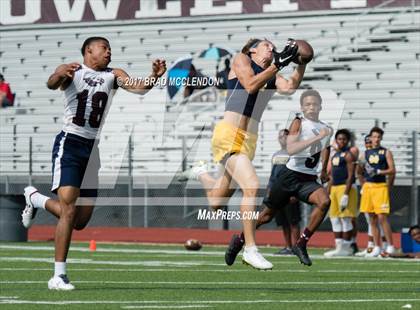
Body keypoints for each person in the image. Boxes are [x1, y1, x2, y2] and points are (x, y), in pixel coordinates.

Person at [21, 37, 166, 290]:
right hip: (70, 144)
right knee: (68, 209)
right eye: (104, 48)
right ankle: (58, 275)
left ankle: (35, 199)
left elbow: (139, 88)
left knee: (79, 220)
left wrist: (154, 76)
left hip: (92, 149)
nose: (109, 52)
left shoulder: (114, 74)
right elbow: (51, 83)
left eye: (110, 49)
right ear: (89, 50)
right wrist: (59, 72)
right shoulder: (74, 69)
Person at [178, 38, 305, 270]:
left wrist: (302, 63)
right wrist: (277, 64)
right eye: (267, 45)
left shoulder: (270, 72)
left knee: (216, 201)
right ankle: (250, 249)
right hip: (229, 134)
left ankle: (200, 172)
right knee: (252, 185)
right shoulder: (242, 59)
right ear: (254, 49)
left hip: (248, 141)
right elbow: (250, 85)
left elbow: (289, 88)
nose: (272, 48)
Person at [225, 89, 333, 267]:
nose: (311, 107)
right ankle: (239, 241)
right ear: (302, 107)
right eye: (308, 104)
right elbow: (291, 149)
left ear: (320, 106)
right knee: (265, 217)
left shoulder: (326, 128)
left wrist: (323, 168)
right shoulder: (299, 122)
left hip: (308, 179)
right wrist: (316, 139)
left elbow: (326, 146)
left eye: (314, 104)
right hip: (289, 176)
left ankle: (301, 243)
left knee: (325, 202)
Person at [358, 126, 396, 257]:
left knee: (382, 217)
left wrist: (379, 171)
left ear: (381, 138)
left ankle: (390, 246)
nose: (376, 139)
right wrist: (363, 184)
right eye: (374, 137)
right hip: (368, 187)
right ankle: (377, 247)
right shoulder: (364, 154)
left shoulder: (386, 152)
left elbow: (392, 170)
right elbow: (359, 171)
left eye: (379, 137)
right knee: (372, 219)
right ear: (370, 137)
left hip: (380, 186)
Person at [265, 129, 301, 255]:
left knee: (293, 222)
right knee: (283, 222)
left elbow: (298, 174)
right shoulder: (276, 155)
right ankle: (288, 247)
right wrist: (269, 190)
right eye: (280, 136)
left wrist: (295, 192)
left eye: (285, 136)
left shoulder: (296, 153)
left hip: (290, 192)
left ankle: (297, 247)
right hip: (278, 193)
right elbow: (272, 175)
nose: (282, 138)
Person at [324, 129, 358, 257]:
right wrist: (328, 192)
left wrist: (346, 194)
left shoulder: (348, 155)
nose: (341, 141)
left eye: (344, 139)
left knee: (346, 219)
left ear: (348, 141)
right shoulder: (335, 155)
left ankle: (347, 246)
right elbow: (332, 176)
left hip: (345, 187)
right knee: (334, 218)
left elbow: (350, 176)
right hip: (334, 188)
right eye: (339, 139)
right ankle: (339, 246)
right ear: (336, 140)